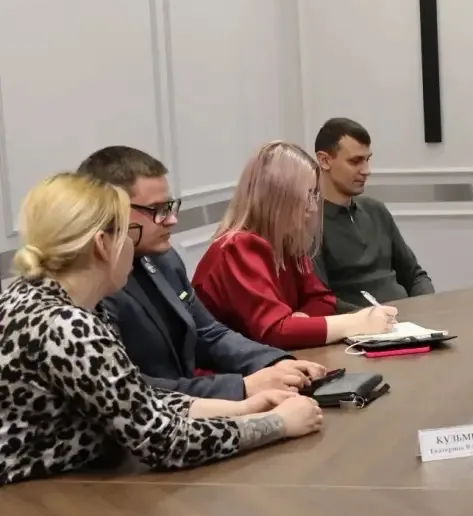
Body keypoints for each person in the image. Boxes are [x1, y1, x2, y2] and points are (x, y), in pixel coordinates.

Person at [0, 173, 323, 486]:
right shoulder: (69, 327)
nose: (132, 247)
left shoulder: (32, 297)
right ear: (102, 245)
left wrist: (241, 408)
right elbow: (165, 443)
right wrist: (277, 424)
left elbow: (134, 398)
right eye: (127, 233)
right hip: (29, 501)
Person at [77, 146, 328, 401]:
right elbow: (133, 391)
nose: (171, 220)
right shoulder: (94, 288)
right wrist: (242, 387)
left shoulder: (164, 259)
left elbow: (208, 333)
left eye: (170, 206)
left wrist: (275, 362)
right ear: (111, 211)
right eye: (156, 209)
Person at [193, 141, 399, 350]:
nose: (313, 207)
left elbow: (322, 299)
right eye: (307, 195)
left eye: (315, 195)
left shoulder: (287, 241)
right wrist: (357, 322)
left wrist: (302, 320)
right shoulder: (237, 248)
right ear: (278, 198)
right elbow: (274, 331)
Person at [313, 117, 435, 310]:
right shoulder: (309, 222)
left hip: (406, 316)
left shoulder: (376, 210)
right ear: (324, 161)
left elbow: (415, 276)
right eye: (355, 161)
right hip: (360, 322)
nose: (366, 171)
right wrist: (374, 319)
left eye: (367, 160)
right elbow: (320, 299)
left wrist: (428, 306)